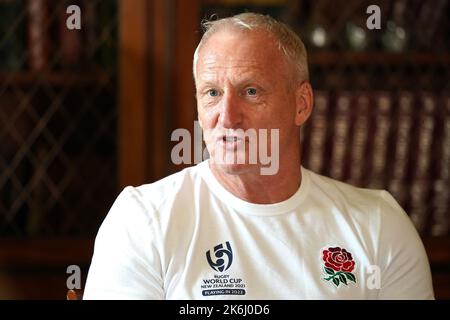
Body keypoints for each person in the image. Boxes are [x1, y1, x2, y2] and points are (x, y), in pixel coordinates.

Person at [83, 12, 434, 299]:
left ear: (302, 103)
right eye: (211, 93)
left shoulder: (378, 225)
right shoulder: (144, 221)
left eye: (250, 91)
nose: (227, 115)